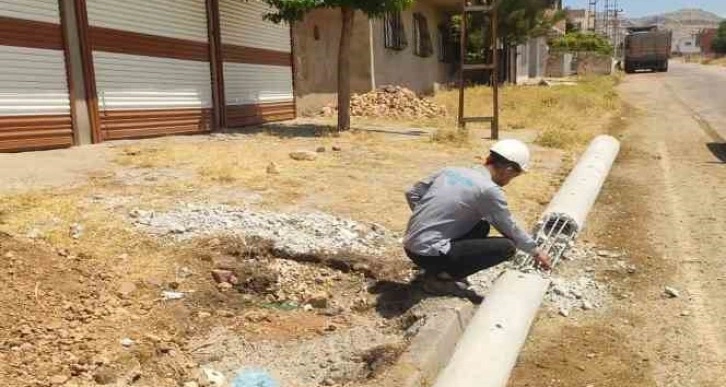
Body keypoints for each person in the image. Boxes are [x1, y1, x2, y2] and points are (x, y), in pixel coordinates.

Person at [403, 139, 551, 297]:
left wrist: (428, 220)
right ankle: (440, 279)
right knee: (507, 247)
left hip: (410, 245)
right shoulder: (488, 190)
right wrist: (535, 251)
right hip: (428, 255)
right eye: (513, 176)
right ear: (508, 169)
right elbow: (508, 226)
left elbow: (412, 193)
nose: (509, 181)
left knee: (481, 226)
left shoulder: (450, 171)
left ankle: (437, 268)